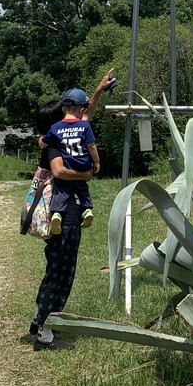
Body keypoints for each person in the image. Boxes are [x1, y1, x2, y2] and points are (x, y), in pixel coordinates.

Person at [30, 71, 115, 351]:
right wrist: (87, 176)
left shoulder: (64, 135)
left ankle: (40, 322)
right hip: (63, 212)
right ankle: (45, 328)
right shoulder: (55, 146)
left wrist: (99, 89)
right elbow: (60, 172)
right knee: (59, 270)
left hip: (67, 212)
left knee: (62, 267)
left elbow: (85, 113)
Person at [38, 86, 101, 235]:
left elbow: (42, 143)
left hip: (68, 168)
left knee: (61, 193)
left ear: (63, 109)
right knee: (83, 192)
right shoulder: (84, 126)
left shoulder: (55, 128)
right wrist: (96, 163)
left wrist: (41, 139)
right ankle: (87, 211)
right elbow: (91, 146)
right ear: (80, 110)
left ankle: (56, 214)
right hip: (82, 167)